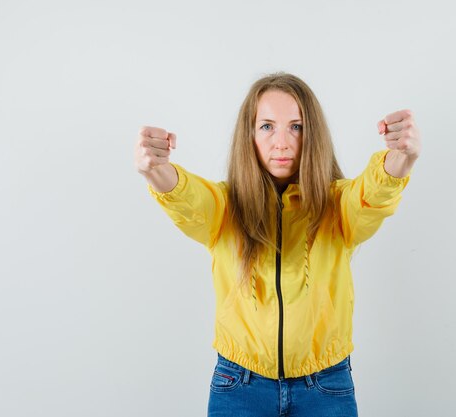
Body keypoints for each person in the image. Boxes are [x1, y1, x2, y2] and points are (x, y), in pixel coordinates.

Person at [134, 72, 421, 417]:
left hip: (325, 386)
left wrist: (401, 158)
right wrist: (157, 169)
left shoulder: (337, 205)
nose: (281, 142)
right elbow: (190, 200)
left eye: (296, 127)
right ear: (250, 135)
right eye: (267, 126)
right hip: (239, 385)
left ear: (313, 134)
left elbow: (371, 196)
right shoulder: (226, 207)